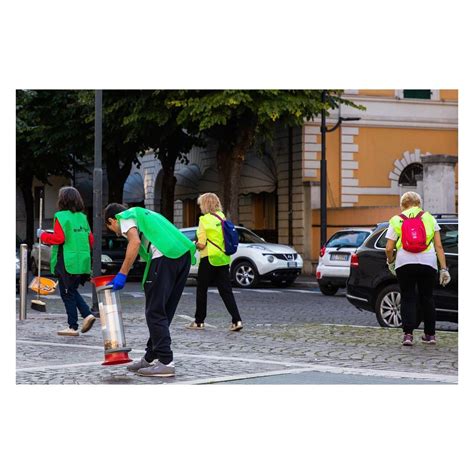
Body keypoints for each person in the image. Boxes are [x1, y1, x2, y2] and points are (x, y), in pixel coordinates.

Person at [104, 203, 195, 377]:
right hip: (182, 256)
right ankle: (150, 356)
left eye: (112, 228)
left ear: (112, 220)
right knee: (164, 311)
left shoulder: (125, 216)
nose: (117, 232)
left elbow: (135, 242)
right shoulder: (147, 214)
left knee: (154, 312)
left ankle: (166, 362)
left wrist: (122, 273)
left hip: (165, 256)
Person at [385, 191, 451, 346]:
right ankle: (430, 335)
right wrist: (443, 268)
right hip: (428, 262)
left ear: (402, 205)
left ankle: (408, 335)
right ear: (419, 203)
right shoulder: (429, 218)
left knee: (408, 297)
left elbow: (389, 248)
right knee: (427, 297)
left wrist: (390, 261)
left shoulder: (396, 220)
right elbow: (439, 246)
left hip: (404, 262)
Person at [37, 186, 96, 336]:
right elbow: (90, 239)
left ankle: (74, 325)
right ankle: (85, 315)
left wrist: (43, 235)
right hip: (81, 261)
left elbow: (58, 238)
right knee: (71, 290)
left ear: (62, 200)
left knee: (67, 293)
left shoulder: (61, 216)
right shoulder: (82, 217)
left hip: (66, 261)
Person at [187, 193, 243, 331]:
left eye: (201, 204)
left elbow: (201, 244)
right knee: (226, 291)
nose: (200, 207)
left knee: (202, 290)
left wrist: (192, 243)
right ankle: (237, 320)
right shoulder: (222, 217)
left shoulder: (204, 220)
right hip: (223, 259)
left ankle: (199, 321)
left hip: (208, 259)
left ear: (205, 205)